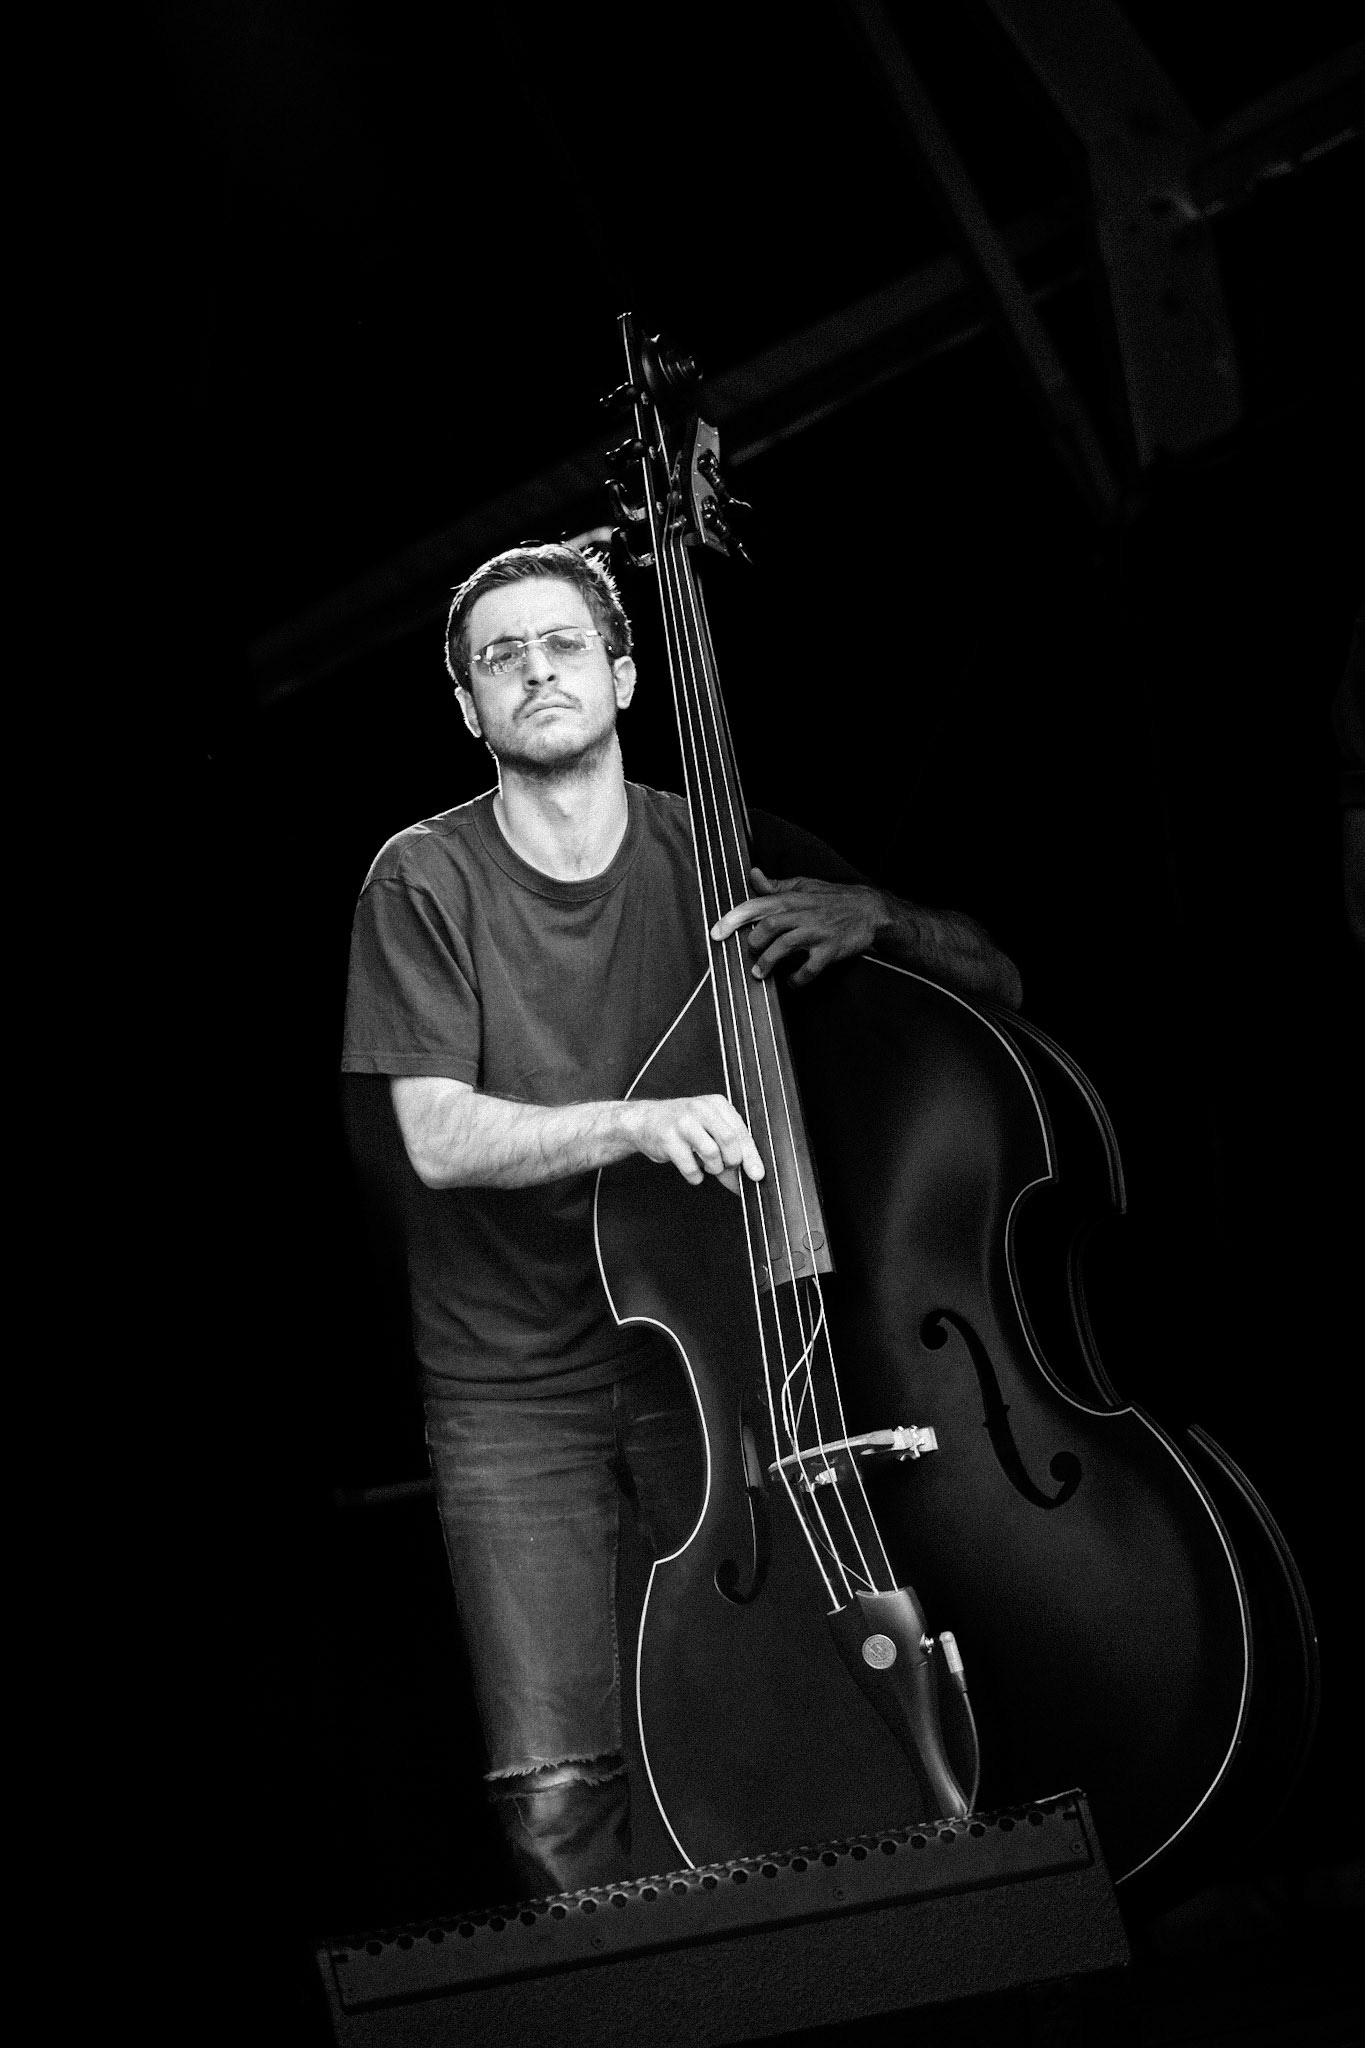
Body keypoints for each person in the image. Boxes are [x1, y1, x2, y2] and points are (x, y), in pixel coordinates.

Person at [341, 542, 1021, 1898]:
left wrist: (877, 916)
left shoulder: (718, 846)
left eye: (562, 645)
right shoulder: (419, 880)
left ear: (628, 675)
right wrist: (635, 1122)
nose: (534, 670)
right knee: (555, 1774)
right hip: (509, 1389)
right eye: (499, 657)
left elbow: (994, 977)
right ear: (467, 711)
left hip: (707, 1363)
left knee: (768, 1713)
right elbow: (433, 1134)